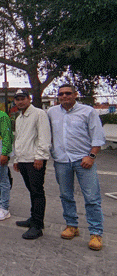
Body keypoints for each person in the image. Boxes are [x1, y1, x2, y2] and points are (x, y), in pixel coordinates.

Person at [47, 84, 106, 251]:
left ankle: (96, 233)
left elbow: (98, 136)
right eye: (61, 94)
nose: (64, 96)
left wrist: (92, 156)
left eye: (68, 93)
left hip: (83, 160)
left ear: (75, 94)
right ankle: (72, 225)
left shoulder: (88, 112)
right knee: (65, 195)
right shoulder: (52, 112)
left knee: (92, 198)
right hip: (61, 161)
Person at [12, 90, 51, 240]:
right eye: (17, 99)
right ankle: (33, 218)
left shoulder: (39, 114)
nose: (20, 102)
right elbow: (20, 139)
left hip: (34, 160)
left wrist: (40, 157)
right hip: (23, 159)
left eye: (23, 99)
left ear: (29, 99)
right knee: (31, 191)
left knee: (37, 192)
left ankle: (37, 225)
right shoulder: (20, 117)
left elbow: (44, 137)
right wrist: (17, 159)